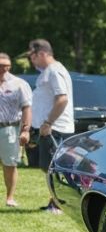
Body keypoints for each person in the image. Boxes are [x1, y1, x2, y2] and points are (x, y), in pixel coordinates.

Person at [26, 39, 75, 213]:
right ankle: (54, 201)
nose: (31, 60)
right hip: (50, 128)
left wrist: (48, 123)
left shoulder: (54, 71)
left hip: (55, 128)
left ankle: (58, 203)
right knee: (48, 167)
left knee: (53, 168)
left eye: (32, 56)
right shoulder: (48, 72)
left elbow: (62, 99)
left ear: (42, 53)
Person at [0, 53, 33, 207]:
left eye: (6, 66)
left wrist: (25, 130)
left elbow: (27, 108)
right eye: (1, 66)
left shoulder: (19, 84)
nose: (4, 69)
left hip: (10, 129)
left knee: (10, 164)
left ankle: (10, 197)